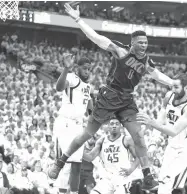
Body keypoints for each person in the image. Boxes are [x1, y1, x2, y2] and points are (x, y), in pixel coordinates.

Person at [48, 3, 173, 190]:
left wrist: (172, 83)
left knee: (138, 134)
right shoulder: (120, 51)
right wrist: (78, 20)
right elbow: (96, 38)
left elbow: (157, 76)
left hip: (127, 99)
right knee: (86, 134)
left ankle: (148, 175)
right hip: (109, 95)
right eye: (140, 43)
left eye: (146, 43)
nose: (144, 46)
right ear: (133, 44)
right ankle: (60, 161)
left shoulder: (146, 62)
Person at [137, 74, 187, 194]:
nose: (173, 90)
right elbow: (161, 120)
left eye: (176, 87)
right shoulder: (169, 96)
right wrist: (153, 143)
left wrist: (150, 122)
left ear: (186, 88)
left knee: (168, 181)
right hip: (171, 147)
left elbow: (173, 131)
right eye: (172, 87)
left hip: (186, 150)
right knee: (163, 184)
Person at [52, 54, 93, 194]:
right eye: (85, 68)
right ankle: (60, 191)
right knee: (62, 164)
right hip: (65, 122)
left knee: (77, 164)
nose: (87, 71)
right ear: (78, 68)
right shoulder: (71, 77)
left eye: (89, 69)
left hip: (78, 126)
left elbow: (90, 111)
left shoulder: (88, 86)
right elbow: (59, 87)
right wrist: (65, 69)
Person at [83, 118, 140, 194]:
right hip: (107, 177)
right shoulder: (102, 141)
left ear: (120, 126)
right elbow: (90, 157)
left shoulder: (127, 139)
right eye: (112, 124)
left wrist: (131, 170)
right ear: (108, 126)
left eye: (117, 124)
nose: (114, 126)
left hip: (121, 177)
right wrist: (78, 151)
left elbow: (138, 157)